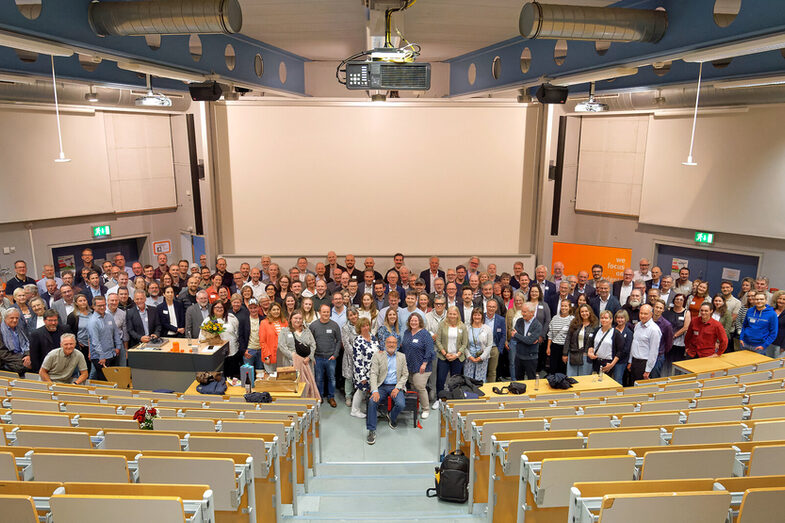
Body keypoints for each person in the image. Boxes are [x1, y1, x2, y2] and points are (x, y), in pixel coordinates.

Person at [366, 335, 409, 445]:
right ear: (385, 344)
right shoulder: (378, 356)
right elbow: (373, 374)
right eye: (389, 342)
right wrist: (374, 391)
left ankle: (392, 416)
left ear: (397, 345)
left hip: (396, 386)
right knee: (372, 402)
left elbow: (405, 374)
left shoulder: (401, 356)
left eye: (393, 342)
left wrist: (398, 387)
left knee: (401, 404)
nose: (391, 344)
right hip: (382, 386)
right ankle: (371, 430)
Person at [400, 312, 435, 418]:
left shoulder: (425, 334)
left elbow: (430, 350)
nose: (413, 322)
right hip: (409, 365)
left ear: (420, 321)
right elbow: (404, 347)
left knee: (420, 386)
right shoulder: (407, 332)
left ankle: (426, 409)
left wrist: (424, 363)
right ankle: (414, 406)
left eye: (416, 320)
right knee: (413, 386)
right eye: (411, 320)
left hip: (422, 366)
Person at [310, 304, 342, 407]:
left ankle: (331, 397)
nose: (326, 314)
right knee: (319, 378)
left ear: (330, 312)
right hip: (317, 357)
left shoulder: (334, 325)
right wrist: (312, 356)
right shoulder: (313, 325)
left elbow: (338, 341)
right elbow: (310, 342)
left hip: (330, 358)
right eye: (324, 312)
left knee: (331, 378)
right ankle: (320, 396)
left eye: (328, 312)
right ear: (319, 312)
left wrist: (335, 354)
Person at [198, 300, 241, 377]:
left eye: (221, 307)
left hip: (232, 352)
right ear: (212, 309)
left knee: (231, 376)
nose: (219, 309)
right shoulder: (208, 320)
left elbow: (237, 333)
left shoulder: (231, 318)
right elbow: (202, 337)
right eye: (216, 307)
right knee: (218, 376)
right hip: (215, 354)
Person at [86, 296, 122, 380]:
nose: (102, 307)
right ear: (94, 307)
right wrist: (101, 356)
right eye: (99, 306)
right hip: (100, 357)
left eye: (104, 305)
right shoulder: (93, 321)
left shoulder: (109, 316)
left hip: (111, 353)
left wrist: (118, 346)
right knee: (104, 381)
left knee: (113, 379)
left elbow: (115, 332)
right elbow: (95, 341)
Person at [435, 306, 468, 396]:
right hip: (443, 357)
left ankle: (454, 398)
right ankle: (439, 398)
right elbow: (438, 340)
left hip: (457, 358)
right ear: (447, 314)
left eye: (454, 314)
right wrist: (445, 354)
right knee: (441, 379)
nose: (452, 316)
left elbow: (464, 344)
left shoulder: (462, 326)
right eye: (450, 313)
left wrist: (456, 355)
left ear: (457, 314)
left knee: (455, 381)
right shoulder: (442, 324)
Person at [351, 317, 379, 418]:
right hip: (362, 370)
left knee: (372, 390)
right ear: (359, 328)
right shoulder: (358, 340)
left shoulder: (373, 337)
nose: (366, 327)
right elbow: (357, 359)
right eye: (363, 326)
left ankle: (372, 409)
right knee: (361, 391)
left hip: (374, 370)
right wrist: (361, 376)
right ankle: (354, 410)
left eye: (367, 325)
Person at [627, 304, 662, 383]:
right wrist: (630, 361)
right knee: (632, 385)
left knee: (641, 389)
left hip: (644, 363)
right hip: (635, 361)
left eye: (645, 314)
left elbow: (654, 352)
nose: (642, 316)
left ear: (651, 314)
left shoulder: (654, 330)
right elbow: (634, 344)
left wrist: (648, 370)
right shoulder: (638, 325)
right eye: (641, 313)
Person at [587, 310, 626, 378]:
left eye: (606, 318)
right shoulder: (597, 330)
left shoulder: (616, 333)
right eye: (602, 318)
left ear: (611, 320)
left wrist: (611, 365)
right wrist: (590, 352)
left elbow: (620, 351)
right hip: (596, 361)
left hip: (608, 363)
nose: (603, 320)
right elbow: (591, 344)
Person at [511, 302, 544, 380]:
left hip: (531, 358)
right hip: (519, 356)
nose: (522, 314)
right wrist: (525, 339)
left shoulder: (537, 325)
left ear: (532, 312)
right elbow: (514, 338)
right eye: (522, 311)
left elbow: (529, 341)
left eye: (524, 312)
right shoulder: (519, 321)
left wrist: (517, 335)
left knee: (531, 381)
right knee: (518, 380)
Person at [29, 309, 67, 373]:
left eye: (55, 320)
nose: (53, 323)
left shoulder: (65, 329)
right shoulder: (36, 334)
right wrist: (38, 372)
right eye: (50, 320)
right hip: (46, 369)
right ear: (44, 321)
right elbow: (34, 356)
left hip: (64, 367)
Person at [565, 304, 597, 377]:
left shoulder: (594, 324)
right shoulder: (574, 323)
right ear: (579, 313)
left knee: (584, 379)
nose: (584, 313)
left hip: (586, 356)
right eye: (582, 311)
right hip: (573, 355)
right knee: (571, 378)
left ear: (590, 312)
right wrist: (565, 353)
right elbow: (568, 338)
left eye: (586, 311)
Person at [462, 307, 493, 384]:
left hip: (482, 358)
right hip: (469, 358)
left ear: (482, 316)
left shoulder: (487, 329)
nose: (477, 317)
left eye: (479, 315)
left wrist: (481, 357)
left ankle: (480, 395)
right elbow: (464, 344)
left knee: (480, 380)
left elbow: (489, 345)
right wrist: (469, 356)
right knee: (468, 379)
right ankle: (469, 395)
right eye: (475, 315)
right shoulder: (467, 328)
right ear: (472, 316)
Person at [663, 294, 690, 376]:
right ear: (674, 300)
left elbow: (685, 327)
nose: (678, 301)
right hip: (667, 342)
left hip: (679, 343)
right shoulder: (667, 311)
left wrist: (674, 336)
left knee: (677, 363)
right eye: (677, 299)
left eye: (681, 300)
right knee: (667, 362)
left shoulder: (686, 312)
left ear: (684, 302)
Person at [66, 293, 93, 373]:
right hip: (81, 346)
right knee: (84, 367)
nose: (83, 302)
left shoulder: (92, 313)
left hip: (93, 344)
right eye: (80, 301)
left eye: (84, 300)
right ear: (76, 303)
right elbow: (69, 332)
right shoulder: (73, 316)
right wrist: (77, 342)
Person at [547, 299, 573, 377]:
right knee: (553, 369)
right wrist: (548, 347)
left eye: (566, 306)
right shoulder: (555, 318)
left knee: (563, 370)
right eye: (562, 306)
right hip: (554, 347)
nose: (563, 308)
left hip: (565, 348)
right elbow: (550, 333)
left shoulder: (572, 319)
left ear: (569, 308)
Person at [340, 307, 360, 407]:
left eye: (354, 314)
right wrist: (355, 354)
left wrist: (361, 354)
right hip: (349, 356)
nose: (353, 317)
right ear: (348, 317)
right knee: (349, 377)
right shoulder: (345, 327)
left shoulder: (362, 324)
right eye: (351, 315)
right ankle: (348, 396)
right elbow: (346, 343)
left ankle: (359, 397)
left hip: (362, 357)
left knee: (360, 376)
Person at [0, 308, 30, 374]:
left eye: (17, 318)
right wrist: (21, 358)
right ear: (5, 318)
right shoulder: (1, 331)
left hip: (22, 355)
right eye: (12, 318)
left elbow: (27, 343)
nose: (14, 320)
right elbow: (2, 353)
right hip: (8, 359)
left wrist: (27, 355)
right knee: (23, 366)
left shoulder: (20, 328)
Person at [259, 302, 287, 373]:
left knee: (283, 379)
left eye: (278, 309)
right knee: (272, 380)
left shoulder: (285, 322)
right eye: (274, 310)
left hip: (283, 356)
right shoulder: (264, 323)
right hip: (270, 357)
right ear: (270, 311)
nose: (276, 311)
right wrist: (266, 356)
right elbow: (262, 342)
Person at [483, 299, 506, 383]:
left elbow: (503, 335)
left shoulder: (501, 319)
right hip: (482, 348)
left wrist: (499, 349)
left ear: (496, 308)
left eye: (493, 307)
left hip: (494, 348)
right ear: (486, 307)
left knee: (492, 371)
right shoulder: (481, 317)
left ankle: (490, 389)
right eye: (489, 306)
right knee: (482, 370)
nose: (491, 308)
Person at [650, 300, 674, 378]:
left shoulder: (667, 325)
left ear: (663, 310)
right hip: (645, 354)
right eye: (657, 307)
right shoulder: (647, 320)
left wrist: (661, 351)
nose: (658, 310)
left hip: (658, 356)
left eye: (660, 308)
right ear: (653, 307)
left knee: (654, 378)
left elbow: (669, 343)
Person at [613, 310, 634, 384]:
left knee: (617, 380)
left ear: (626, 319)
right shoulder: (611, 330)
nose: (620, 320)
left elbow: (626, 349)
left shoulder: (629, 333)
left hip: (621, 361)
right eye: (618, 318)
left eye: (622, 318)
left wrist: (616, 358)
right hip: (609, 359)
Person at [769, 290, 785, 359]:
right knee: (765, 362)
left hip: (780, 344)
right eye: (779, 298)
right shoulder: (771, 310)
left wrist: (784, 346)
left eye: (784, 299)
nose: (781, 301)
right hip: (768, 342)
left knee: (776, 365)